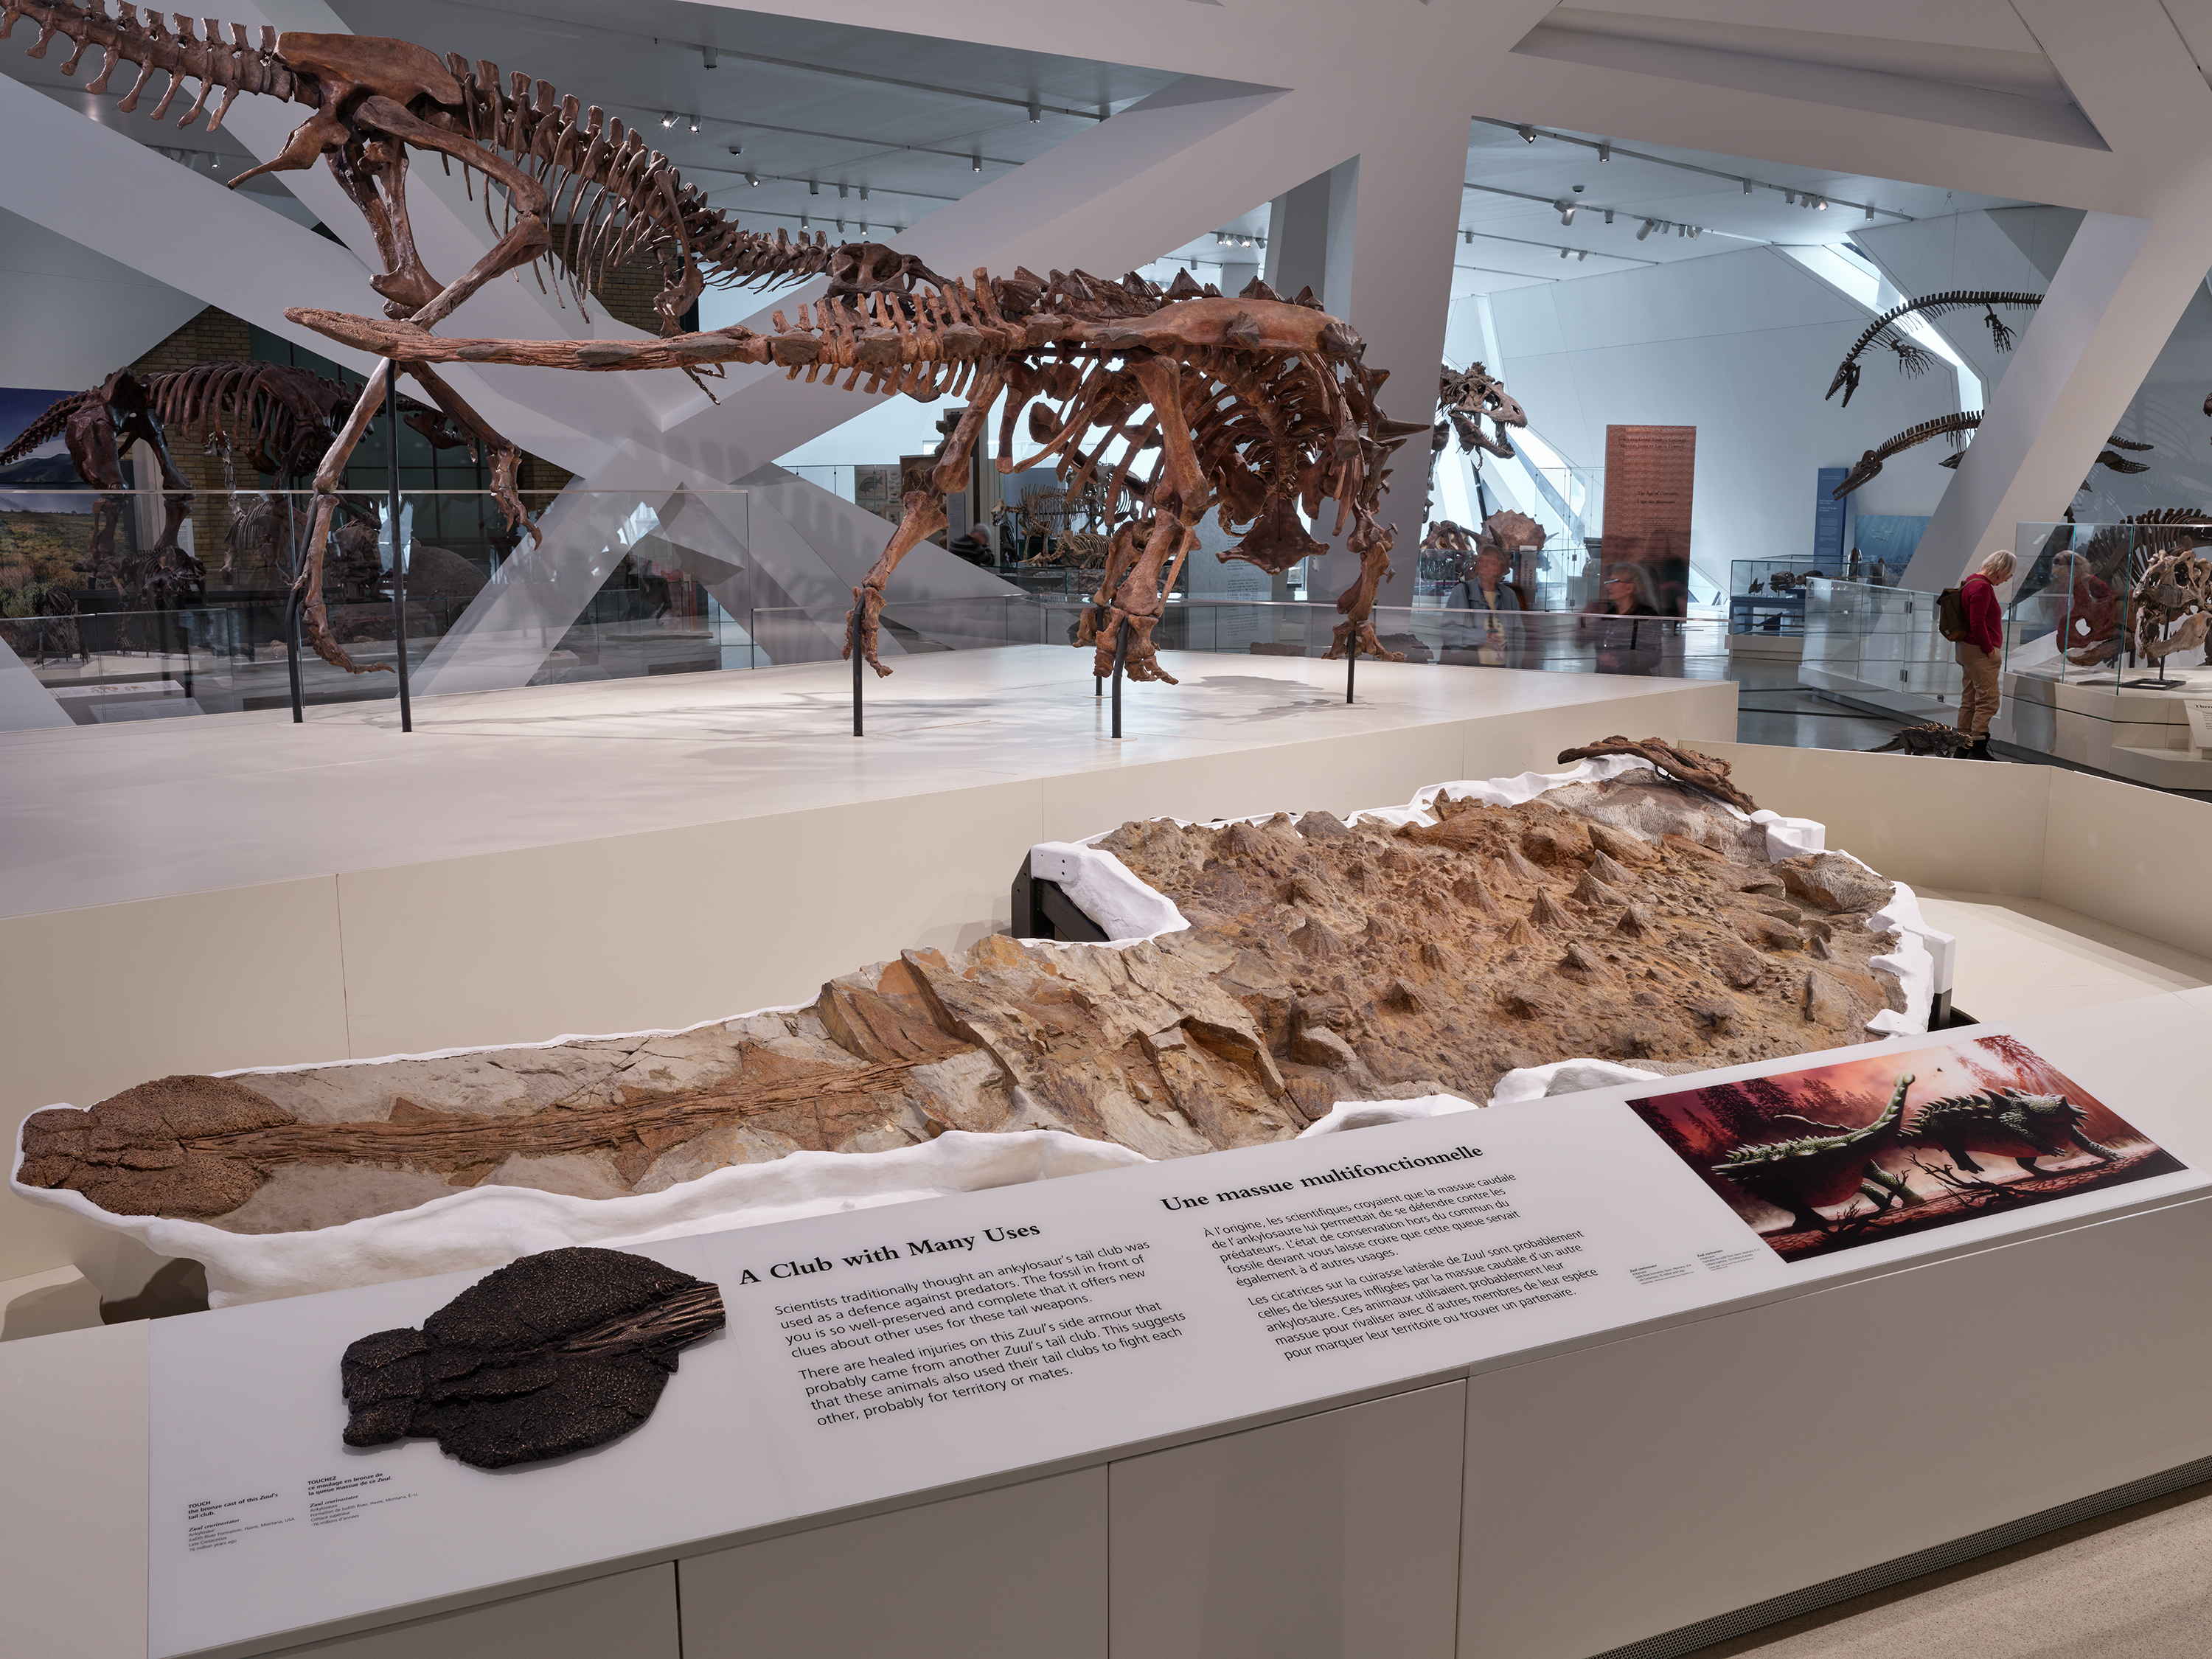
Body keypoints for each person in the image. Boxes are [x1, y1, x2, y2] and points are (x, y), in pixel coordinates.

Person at [1955, 547, 2016, 757]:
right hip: (1979, 652)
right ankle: (1978, 747)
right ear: (2000, 569)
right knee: (1989, 700)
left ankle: (1962, 747)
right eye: (2008, 575)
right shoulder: (1982, 588)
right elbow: (1978, 623)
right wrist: (1989, 650)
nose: (2006, 580)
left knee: (1970, 698)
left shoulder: (1971, 581)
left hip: (1967, 649)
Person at [1441, 543, 1524, 667]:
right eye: (1480, 560)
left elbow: (1518, 634)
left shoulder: (1509, 595)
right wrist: (1483, 636)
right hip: (1472, 668)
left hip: (1504, 668)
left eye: (1490, 561)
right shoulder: (1463, 591)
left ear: (1500, 568)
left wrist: (1515, 664)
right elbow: (1448, 631)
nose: (1483, 564)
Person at [1579, 563, 1661, 675]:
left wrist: (1619, 660)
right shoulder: (1609, 615)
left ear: (1630, 587)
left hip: (1634, 682)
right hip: (1606, 680)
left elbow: (1653, 656)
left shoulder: (1645, 616)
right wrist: (1584, 622)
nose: (1608, 587)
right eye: (1608, 582)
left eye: (1614, 582)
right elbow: (1581, 643)